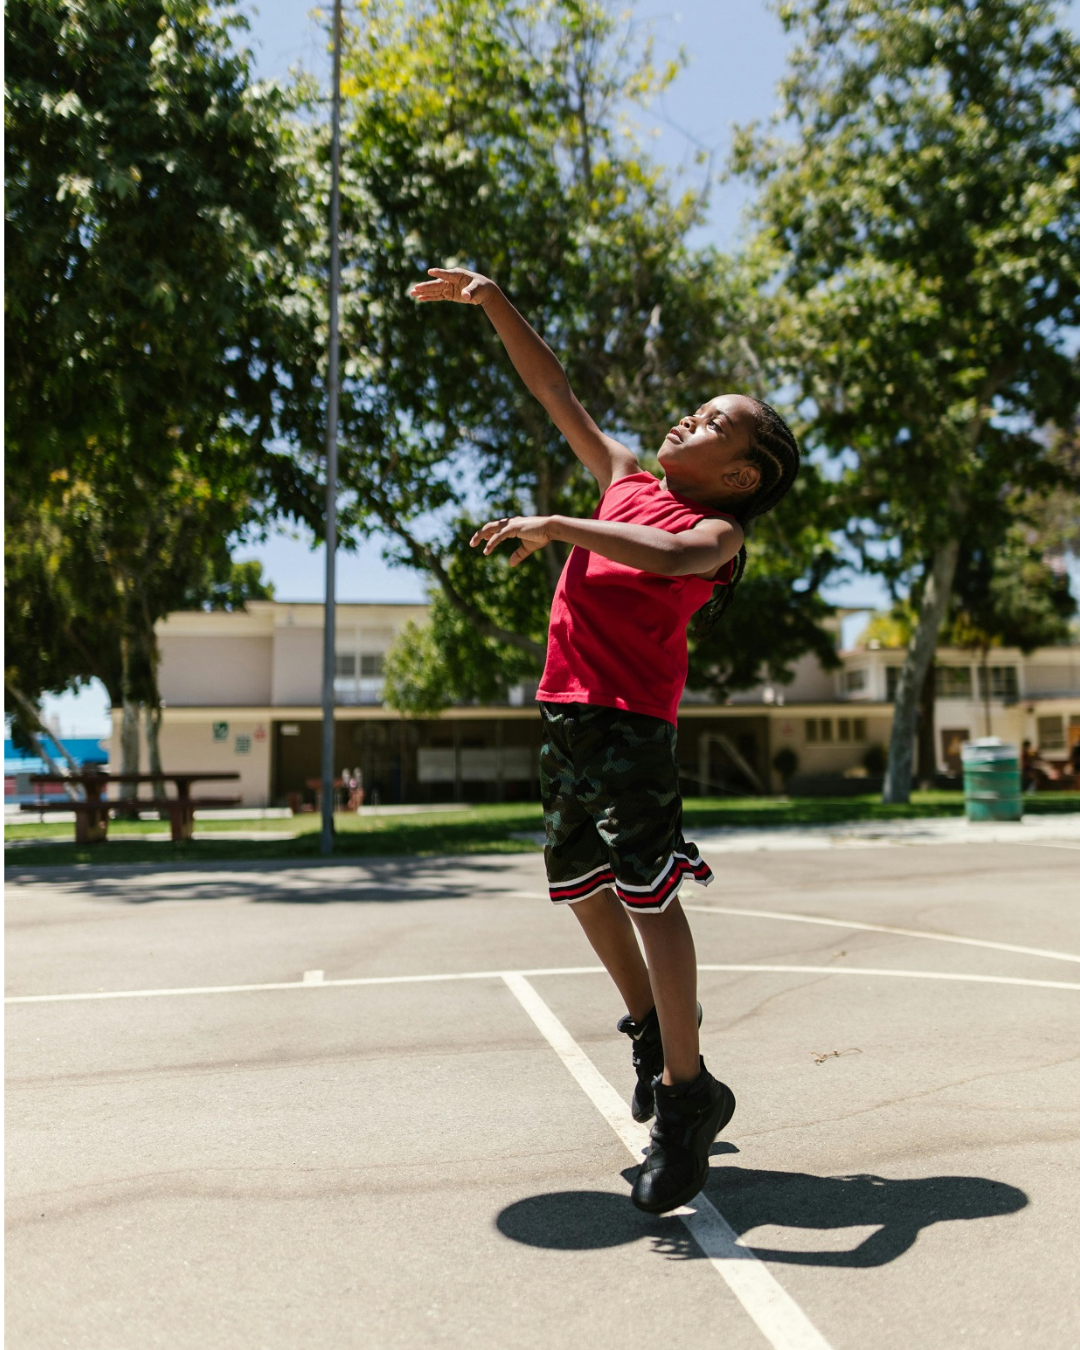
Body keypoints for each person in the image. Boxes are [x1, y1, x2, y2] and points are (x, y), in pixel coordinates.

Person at [411, 265, 800, 1214]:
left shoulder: (714, 534)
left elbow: (665, 558)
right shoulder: (623, 474)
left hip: (631, 727)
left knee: (650, 897)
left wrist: (557, 523)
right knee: (582, 892)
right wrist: (496, 298)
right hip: (565, 713)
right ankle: (650, 1031)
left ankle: (685, 1095)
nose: (687, 420)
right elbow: (554, 388)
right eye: (696, 409)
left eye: (713, 424)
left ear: (741, 475)